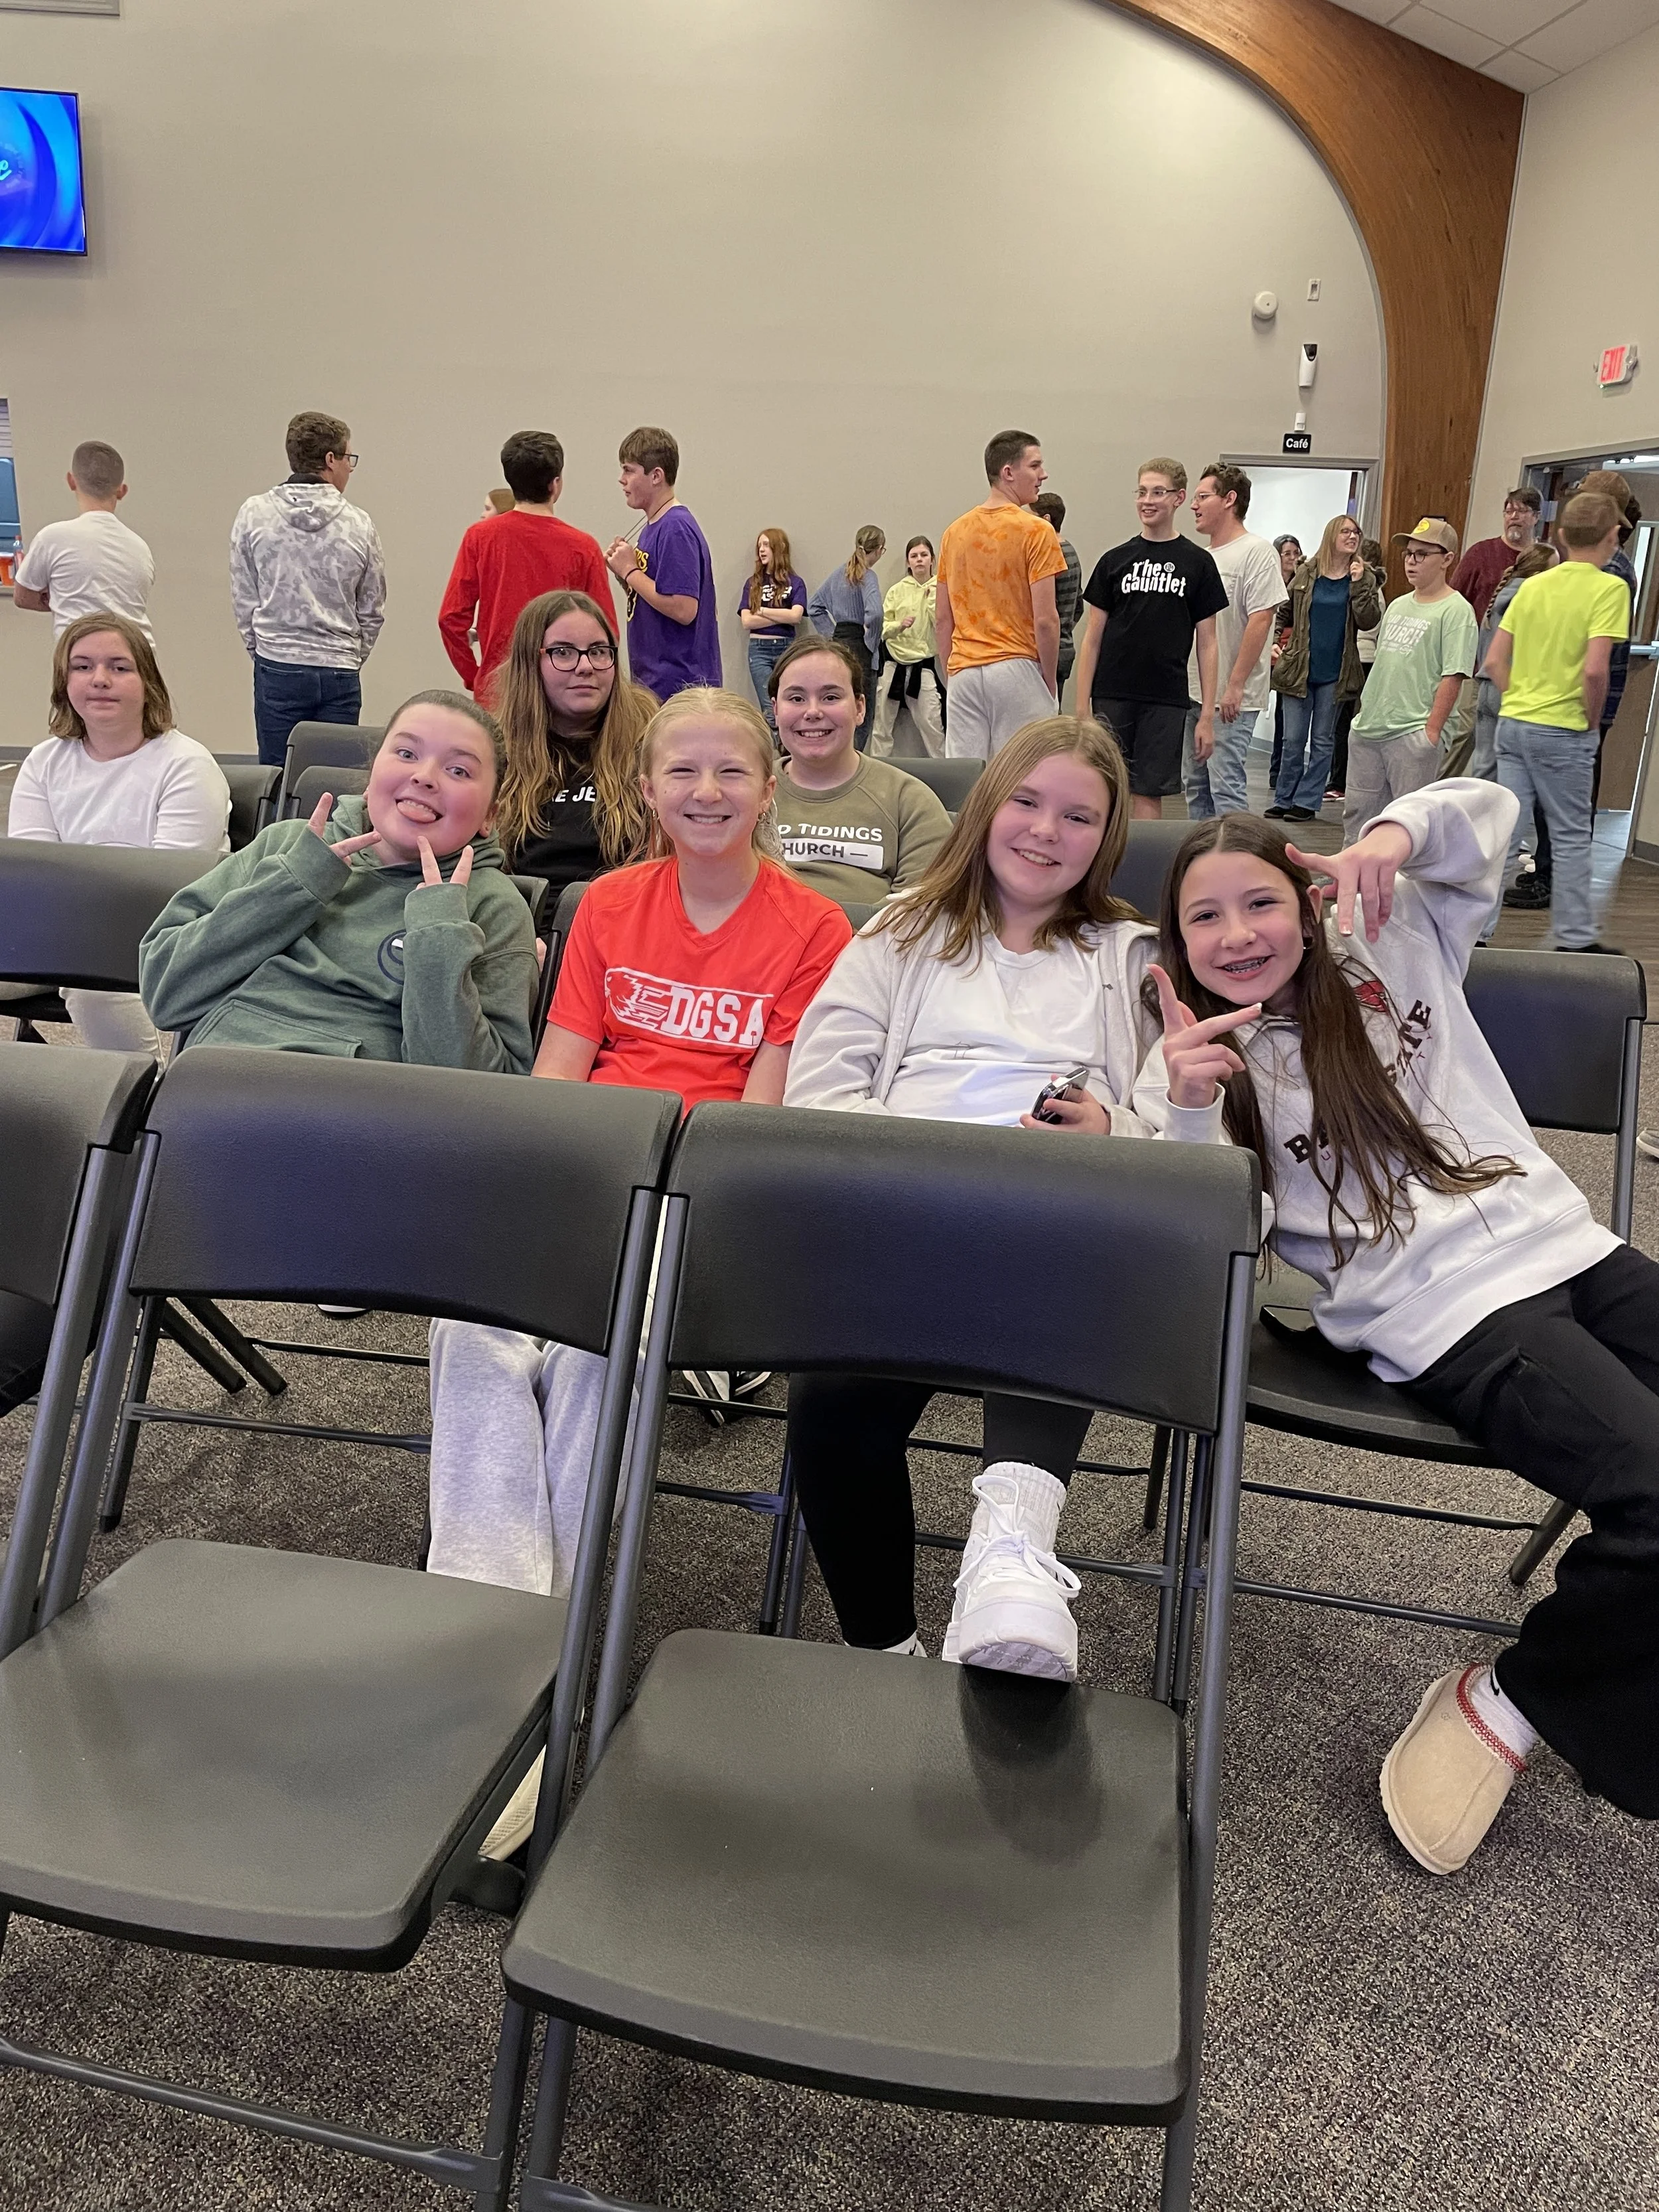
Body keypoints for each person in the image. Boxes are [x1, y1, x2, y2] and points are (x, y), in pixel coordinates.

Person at [1135, 789, 1659, 1871]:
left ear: (1308, 901)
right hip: (1443, 1310)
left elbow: (1494, 814)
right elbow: (1193, 1241)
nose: (1238, 935)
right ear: (1176, 942)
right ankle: (1515, 1695)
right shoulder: (1190, 1057)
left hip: (1566, 1242)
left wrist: (1393, 834)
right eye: (1206, 917)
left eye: (1261, 902)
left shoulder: (1394, 939)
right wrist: (1187, 1106)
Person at [427, 689, 850, 1854]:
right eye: (683, 773)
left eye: (730, 773)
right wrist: (536, 1185)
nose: (706, 793)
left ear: (769, 790)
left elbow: (763, 1119)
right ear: (648, 789)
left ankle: (532, 1669)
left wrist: (653, 1187)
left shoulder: (814, 928)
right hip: (592, 1166)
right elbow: (564, 1066)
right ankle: (494, 1624)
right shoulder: (611, 904)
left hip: (700, 1189)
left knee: (590, 1341)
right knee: (472, 1325)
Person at [784, 716, 1159, 1680]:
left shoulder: (1128, 957)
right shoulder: (902, 928)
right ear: (987, 806)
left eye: (1078, 815)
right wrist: (906, 1173)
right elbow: (823, 1085)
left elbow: (1184, 1107)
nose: (1045, 830)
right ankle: (890, 1650)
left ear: (1107, 836)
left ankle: (1008, 1554)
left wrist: (1111, 1125)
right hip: (905, 1212)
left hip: (1054, 1218)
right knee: (830, 1406)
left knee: (1056, 1252)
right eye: (1027, 802)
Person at [139, 692, 535, 1071]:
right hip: (219, 1086)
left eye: (459, 770)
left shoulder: (493, 905)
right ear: (372, 774)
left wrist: (439, 937)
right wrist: (297, 884)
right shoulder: (288, 845)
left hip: (352, 1117)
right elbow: (166, 994)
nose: (424, 777)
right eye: (406, 753)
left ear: (490, 816)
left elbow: (473, 1094)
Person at [6, 614, 228, 1055]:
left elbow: (170, 892)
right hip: (57, 932)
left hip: (159, 937)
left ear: (147, 681)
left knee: (92, 984)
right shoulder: (44, 762)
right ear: (63, 682)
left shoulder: (186, 766)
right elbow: (34, 873)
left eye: (119, 667)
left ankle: (142, 1096)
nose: (100, 679)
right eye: (82, 666)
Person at [1481, 490, 1630, 954]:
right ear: (1614, 536)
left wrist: (1522, 698)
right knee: (1568, 834)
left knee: (1505, 835)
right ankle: (1575, 937)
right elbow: (1594, 669)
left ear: (1560, 535)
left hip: (1514, 723)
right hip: (1563, 728)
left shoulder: (1534, 585)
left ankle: (1477, 934)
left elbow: (1495, 661)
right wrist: (1588, 721)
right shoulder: (1610, 589)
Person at [1072, 457, 1228, 822]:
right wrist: (1081, 709)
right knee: (1103, 790)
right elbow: (1092, 639)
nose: (1148, 500)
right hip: (1112, 694)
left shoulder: (1198, 563)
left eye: (1158, 492)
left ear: (1178, 498)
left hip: (1165, 699)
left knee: (1147, 793)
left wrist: (1207, 715)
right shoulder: (1115, 560)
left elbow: (1208, 643)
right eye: (1142, 492)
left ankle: (1139, 871)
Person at [230, 411, 386, 769]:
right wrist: (349, 654)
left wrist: (265, 650)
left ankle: (275, 828)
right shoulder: (359, 523)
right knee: (333, 781)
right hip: (339, 669)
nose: (350, 468)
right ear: (330, 460)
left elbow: (245, 598)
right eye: (349, 458)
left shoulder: (254, 514)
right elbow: (372, 607)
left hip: (278, 663)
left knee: (274, 776)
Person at [489, 589, 656, 897]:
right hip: (523, 924)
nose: (585, 666)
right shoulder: (495, 751)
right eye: (563, 652)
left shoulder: (651, 740)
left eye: (598, 651)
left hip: (621, 916)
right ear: (531, 662)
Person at [769, 636, 950, 901]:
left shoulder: (909, 801)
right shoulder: (745, 793)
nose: (812, 711)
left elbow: (919, 914)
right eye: (796, 698)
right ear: (776, 710)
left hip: (870, 942)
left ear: (860, 708)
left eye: (830, 697)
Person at [437, 431, 613, 700]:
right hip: (561, 693)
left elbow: (450, 619)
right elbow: (606, 630)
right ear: (555, 484)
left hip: (500, 690)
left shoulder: (480, 537)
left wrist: (475, 675)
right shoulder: (584, 547)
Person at [1341, 517, 1476, 844]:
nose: (1412, 561)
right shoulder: (1399, 604)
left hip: (1413, 732)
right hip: (1370, 728)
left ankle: (1398, 893)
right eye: (1409, 554)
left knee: (1406, 826)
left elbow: (1453, 676)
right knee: (1358, 819)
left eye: (1422, 554)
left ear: (1446, 560)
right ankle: (1350, 889)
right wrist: (1362, 719)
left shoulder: (1457, 611)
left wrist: (1430, 733)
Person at [935, 431, 1064, 759]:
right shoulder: (1036, 530)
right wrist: (1048, 680)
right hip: (1016, 667)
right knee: (1024, 776)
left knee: (966, 782)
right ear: (1008, 472)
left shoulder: (954, 532)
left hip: (964, 670)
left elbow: (942, 619)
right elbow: (1047, 620)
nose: (1043, 475)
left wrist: (953, 674)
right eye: (1035, 465)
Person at [1183, 463, 1288, 820]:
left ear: (1229, 500)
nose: (1194, 506)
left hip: (1231, 698)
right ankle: (1201, 861)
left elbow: (1260, 619)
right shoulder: (1202, 557)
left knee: (1224, 785)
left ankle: (1236, 865)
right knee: (1196, 784)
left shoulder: (1256, 552)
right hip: (1197, 691)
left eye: (1202, 497)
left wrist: (1236, 685)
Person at [1268, 516, 1382, 822]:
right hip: (1298, 669)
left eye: (1356, 531)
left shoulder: (1364, 577)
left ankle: (1307, 801)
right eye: (1345, 531)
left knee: (1322, 740)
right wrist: (1275, 641)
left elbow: (1370, 620)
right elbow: (1284, 610)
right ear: (1331, 535)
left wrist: (1358, 585)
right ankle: (1284, 797)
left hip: (1336, 672)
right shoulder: (1306, 572)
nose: (1352, 536)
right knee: (1292, 739)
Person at [605, 427, 721, 700]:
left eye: (629, 470)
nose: (622, 480)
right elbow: (655, 599)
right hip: (656, 682)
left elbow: (683, 608)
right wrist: (626, 576)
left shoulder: (675, 528)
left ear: (656, 475)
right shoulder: (653, 527)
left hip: (678, 685)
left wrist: (631, 571)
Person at [12, 439, 155, 640]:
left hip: (82, 660)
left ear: (72, 481)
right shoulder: (141, 549)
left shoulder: (52, 538)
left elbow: (23, 597)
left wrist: (63, 599)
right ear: (122, 491)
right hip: (138, 662)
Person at [1443, 488, 1543, 778]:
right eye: (1509, 511)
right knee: (1465, 733)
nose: (1514, 518)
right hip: (1478, 667)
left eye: (1521, 512)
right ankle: (1430, 795)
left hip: (1522, 674)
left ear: (1535, 518)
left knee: (1505, 748)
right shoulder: (1482, 554)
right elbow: (1455, 601)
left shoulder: (1543, 559)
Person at [1471, 545, 1558, 779]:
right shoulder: (1531, 601)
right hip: (1510, 688)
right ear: (1539, 575)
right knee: (1515, 774)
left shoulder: (1499, 597)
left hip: (1485, 692)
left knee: (1484, 770)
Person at [809, 526, 886, 749]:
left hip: (839, 645)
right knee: (861, 712)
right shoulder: (868, 577)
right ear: (879, 550)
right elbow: (876, 613)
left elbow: (814, 606)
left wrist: (831, 636)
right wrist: (871, 641)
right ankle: (855, 760)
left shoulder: (838, 575)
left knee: (838, 703)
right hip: (861, 647)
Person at [870, 536, 946, 759]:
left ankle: (946, 772)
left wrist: (933, 599)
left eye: (924, 555)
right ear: (908, 562)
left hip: (923, 667)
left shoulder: (941, 588)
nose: (919, 560)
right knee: (881, 727)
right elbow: (881, 629)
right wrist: (898, 626)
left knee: (933, 725)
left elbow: (942, 625)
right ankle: (877, 773)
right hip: (893, 664)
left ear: (932, 559)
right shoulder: (897, 591)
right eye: (914, 556)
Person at [1326, 536, 1386, 802]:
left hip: (1362, 659)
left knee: (1346, 724)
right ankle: (1339, 779)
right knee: (1341, 724)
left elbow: (1369, 625)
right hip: (1353, 658)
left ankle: (1340, 781)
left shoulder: (1370, 589)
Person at [738, 528, 807, 721]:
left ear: (780, 548)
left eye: (767, 545)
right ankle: (775, 751)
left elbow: (796, 617)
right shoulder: (753, 583)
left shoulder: (795, 583)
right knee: (770, 708)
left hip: (787, 648)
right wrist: (781, 614)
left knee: (790, 704)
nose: (761, 550)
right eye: (759, 545)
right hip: (759, 650)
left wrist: (762, 611)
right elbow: (747, 621)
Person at [1033, 491, 1083, 702]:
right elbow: (1078, 606)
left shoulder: (1050, 556)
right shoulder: (1070, 551)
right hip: (1064, 648)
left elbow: (1043, 613)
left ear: (1046, 520)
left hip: (1047, 652)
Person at [1267, 534, 1303, 789]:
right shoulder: (1271, 584)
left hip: (1292, 657)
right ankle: (1276, 770)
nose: (1293, 558)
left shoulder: (1303, 583)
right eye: (1287, 553)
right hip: (1273, 652)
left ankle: (1279, 773)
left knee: (1286, 717)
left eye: (1296, 552)